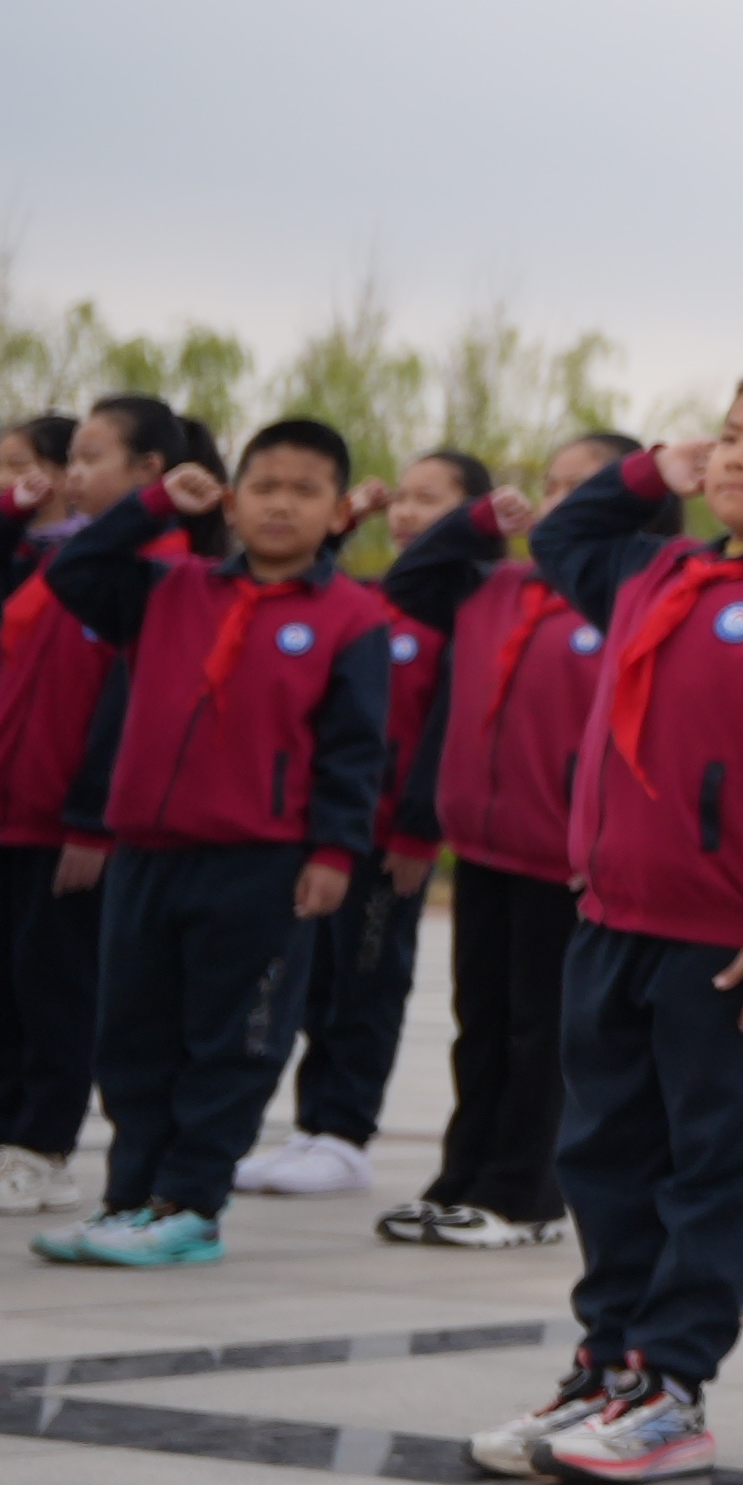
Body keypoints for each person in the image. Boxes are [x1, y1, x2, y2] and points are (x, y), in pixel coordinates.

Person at [474, 368, 743, 1485]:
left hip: (732, 946)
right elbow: (566, 537)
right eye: (725, 436)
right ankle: (607, 1363)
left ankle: (672, 1384)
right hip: (616, 916)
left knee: (714, 1164)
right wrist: (641, 472)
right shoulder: (661, 567)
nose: (734, 456)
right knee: (604, 1154)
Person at [32, 417, 409, 1269]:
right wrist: (156, 505)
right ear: (232, 503)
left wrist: (334, 852)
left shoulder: (351, 617)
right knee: (132, 1034)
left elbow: (357, 748)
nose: (282, 505)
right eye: (265, 487)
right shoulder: (171, 587)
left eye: (305, 490)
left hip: (264, 861)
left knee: (233, 1037)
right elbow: (75, 570)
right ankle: (129, 1198)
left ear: (340, 509)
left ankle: (191, 1202)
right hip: (151, 853)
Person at [0, 396, 164, 1217]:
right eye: (70, 462)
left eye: (90, 460)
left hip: (69, 820)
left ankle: (44, 1148)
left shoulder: (152, 568)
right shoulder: (32, 561)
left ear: (148, 472)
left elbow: (126, 705)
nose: (68, 478)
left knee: (54, 986)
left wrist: (95, 819)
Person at [378, 431, 620, 1250]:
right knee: (480, 1018)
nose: (558, 501)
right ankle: (464, 1176)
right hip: (484, 845)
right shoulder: (495, 586)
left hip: (567, 858)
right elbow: (406, 580)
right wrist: (476, 520)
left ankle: (528, 1194)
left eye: (584, 487)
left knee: (540, 1027)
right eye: (551, 485)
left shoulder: (628, 597)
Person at [241, 443, 485, 1204]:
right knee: (309, 986)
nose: (409, 514)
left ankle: (346, 1133)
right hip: (328, 832)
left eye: (431, 501)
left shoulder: (468, 610)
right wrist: (340, 528)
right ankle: (310, 1129)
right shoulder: (370, 599)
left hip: (391, 845)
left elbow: (446, 732)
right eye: (402, 498)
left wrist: (418, 833)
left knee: (368, 985)